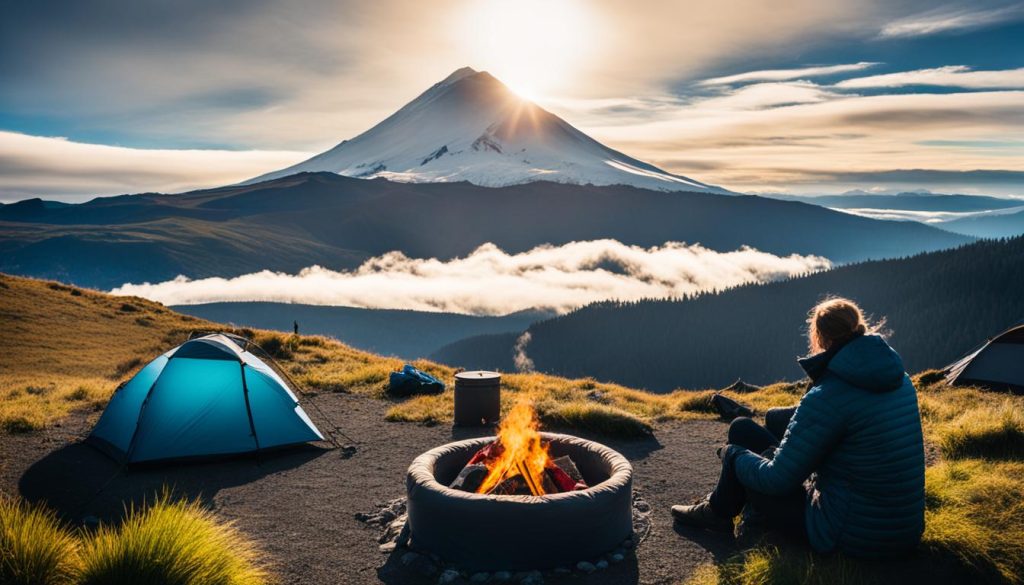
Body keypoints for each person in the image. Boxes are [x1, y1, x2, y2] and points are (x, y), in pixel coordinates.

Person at [672, 298, 925, 559]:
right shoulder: (899, 380)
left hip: (847, 535)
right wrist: (777, 417)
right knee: (743, 427)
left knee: (740, 448)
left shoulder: (828, 395)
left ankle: (716, 512)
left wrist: (733, 457)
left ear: (820, 338)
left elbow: (776, 480)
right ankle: (734, 507)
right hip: (903, 529)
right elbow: (849, 416)